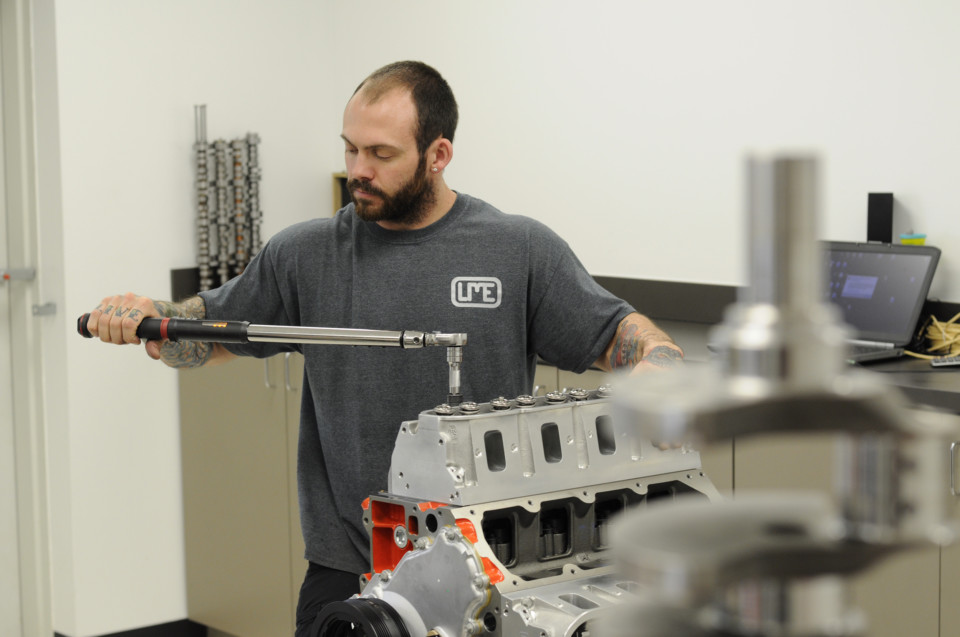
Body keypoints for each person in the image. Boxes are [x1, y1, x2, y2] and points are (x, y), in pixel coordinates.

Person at [84, 61, 683, 637]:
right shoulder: (306, 253)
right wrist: (147, 320)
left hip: (486, 566)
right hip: (350, 564)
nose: (357, 170)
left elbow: (617, 337)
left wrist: (659, 369)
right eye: (350, 149)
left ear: (439, 154)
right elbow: (205, 334)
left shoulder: (516, 249)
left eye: (381, 154)